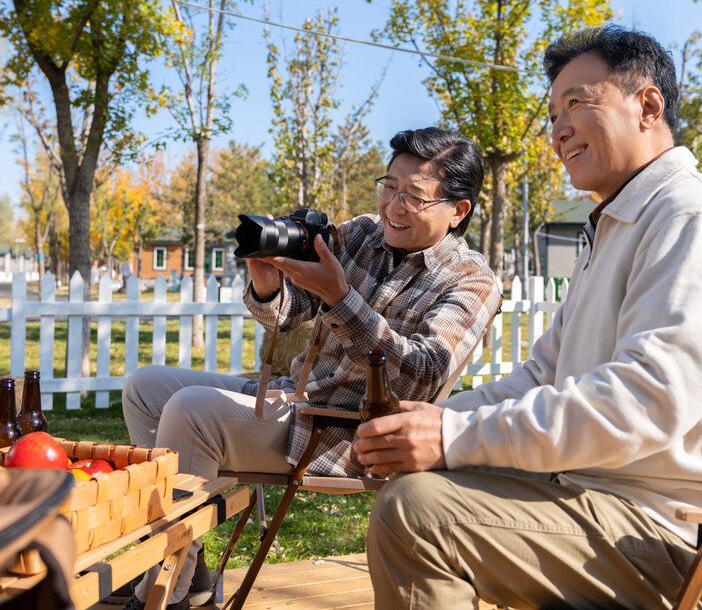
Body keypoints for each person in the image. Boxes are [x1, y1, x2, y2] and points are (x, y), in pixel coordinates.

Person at [354, 25, 702, 609]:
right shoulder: (618, 226)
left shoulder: (696, 219)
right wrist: (433, 419)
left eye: (577, 103)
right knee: (418, 490)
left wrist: (452, 436)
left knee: (419, 515)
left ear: (647, 105)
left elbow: (645, 402)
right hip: (613, 505)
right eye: (552, 113)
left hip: (695, 540)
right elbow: (539, 379)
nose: (557, 129)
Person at [119, 126, 502, 610]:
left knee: (190, 411)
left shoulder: (473, 280)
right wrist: (267, 286)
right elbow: (291, 310)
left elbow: (419, 375)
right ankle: (188, 571)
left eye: (414, 197)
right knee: (143, 387)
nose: (393, 206)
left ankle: (163, 591)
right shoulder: (364, 233)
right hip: (294, 396)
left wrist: (342, 298)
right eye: (389, 187)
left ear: (458, 211)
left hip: (350, 432)